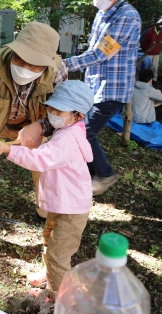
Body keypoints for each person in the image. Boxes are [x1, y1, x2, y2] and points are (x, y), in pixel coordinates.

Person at [0, 80, 93, 292]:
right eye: (51, 107)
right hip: (62, 204)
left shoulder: (67, 138)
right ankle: (49, 274)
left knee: (59, 255)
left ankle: (60, 298)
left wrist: (7, 149)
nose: (51, 112)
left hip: (71, 210)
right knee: (49, 238)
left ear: (78, 115)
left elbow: (39, 159)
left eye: (59, 110)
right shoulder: (69, 128)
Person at [0, 21, 68, 254]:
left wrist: (41, 127)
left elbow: (62, 113)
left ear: (46, 64)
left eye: (33, 64)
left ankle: (43, 213)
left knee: (44, 168)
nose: (23, 66)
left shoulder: (58, 70)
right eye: (19, 58)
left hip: (35, 124)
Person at [64, 0, 141, 196]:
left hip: (112, 90)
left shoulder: (126, 16)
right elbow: (93, 51)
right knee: (78, 130)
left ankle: (105, 175)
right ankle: (87, 178)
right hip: (94, 87)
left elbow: (100, 54)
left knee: (83, 132)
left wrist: (64, 64)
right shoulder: (102, 14)